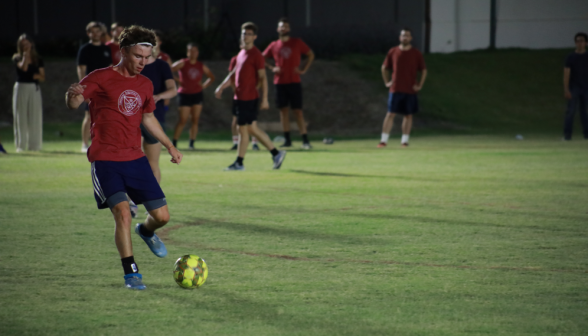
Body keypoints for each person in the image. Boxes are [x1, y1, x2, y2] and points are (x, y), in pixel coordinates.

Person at [65, 25, 183, 290]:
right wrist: (72, 96)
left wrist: (169, 146)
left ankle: (147, 231)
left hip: (135, 159)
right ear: (123, 52)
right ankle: (131, 273)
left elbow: (148, 118)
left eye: (146, 57)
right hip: (105, 160)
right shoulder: (101, 77)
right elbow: (76, 101)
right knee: (122, 213)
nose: (143, 62)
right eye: (138, 56)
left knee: (163, 216)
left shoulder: (145, 84)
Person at [215, 22, 286, 171]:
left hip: (249, 98)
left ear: (254, 37)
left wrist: (265, 98)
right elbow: (233, 74)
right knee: (250, 129)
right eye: (243, 33)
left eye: (248, 34)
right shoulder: (241, 53)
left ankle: (240, 162)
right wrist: (221, 86)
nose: (245, 36)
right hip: (240, 98)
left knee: (244, 129)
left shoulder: (256, 55)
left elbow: (263, 78)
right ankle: (276, 153)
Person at [263, 17, 315, 149]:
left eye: (285, 26)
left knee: (297, 111)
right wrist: (271, 68)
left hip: (294, 81)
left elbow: (310, 55)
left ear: (289, 29)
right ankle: (287, 139)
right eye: (281, 26)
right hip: (279, 82)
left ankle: (305, 140)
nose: (283, 28)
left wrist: (303, 69)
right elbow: (261, 58)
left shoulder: (297, 42)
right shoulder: (274, 45)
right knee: (283, 111)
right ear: (277, 29)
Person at [377, 28, 427, 148]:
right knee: (390, 114)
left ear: (411, 38)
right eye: (403, 36)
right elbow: (384, 67)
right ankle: (383, 141)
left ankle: (404, 141)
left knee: (408, 115)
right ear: (400, 38)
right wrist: (387, 82)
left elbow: (424, 70)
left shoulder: (416, 53)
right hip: (395, 89)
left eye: (407, 36)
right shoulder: (393, 51)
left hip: (410, 89)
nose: (405, 38)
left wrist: (420, 84)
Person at [140, 45, 178, 183]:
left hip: (155, 118)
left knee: (152, 164)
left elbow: (173, 90)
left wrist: (159, 96)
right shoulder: (132, 66)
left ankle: (154, 199)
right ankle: (131, 199)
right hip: (132, 119)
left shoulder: (162, 65)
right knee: (132, 160)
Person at [171, 43, 215, 149]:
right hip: (184, 94)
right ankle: (174, 143)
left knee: (195, 119)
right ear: (187, 52)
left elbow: (211, 77)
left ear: (198, 53)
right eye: (190, 51)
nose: (193, 53)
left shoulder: (200, 65)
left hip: (197, 94)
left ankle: (191, 143)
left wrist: (204, 85)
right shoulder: (183, 63)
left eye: (195, 51)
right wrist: (178, 80)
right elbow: (168, 70)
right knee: (183, 119)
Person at [77, 21, 113, 153]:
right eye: (93, 31)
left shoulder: (106, 49)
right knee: (89, 115)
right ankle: (84, 144)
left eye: (98, 31)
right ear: (88, 33)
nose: (96, 34)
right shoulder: (85, 49)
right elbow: (81, 69)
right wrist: (84, 88)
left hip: (105, 87)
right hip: (91, 86)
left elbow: (110, 69)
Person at [12, 34, 45, 152]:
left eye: (27, 43)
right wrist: (25, 55)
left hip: (34, 88)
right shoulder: (17, 57)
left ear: (31, 44)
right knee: (20, 116)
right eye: (23, 44)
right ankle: (20, 145)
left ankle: (35, 145)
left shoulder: (38, 59)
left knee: (35, 116)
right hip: (21, 87)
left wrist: (36, 76)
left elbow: (42, 76)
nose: (25, 46)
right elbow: (24, 68)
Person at [228, 50, 260, 151]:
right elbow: (231, 76)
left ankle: (256, 143)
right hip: (239, 97)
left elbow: (261, 77)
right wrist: (236, 91)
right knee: (237, 122)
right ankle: (236, 143)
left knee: (251, 123)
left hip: (250, 96)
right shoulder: (235, 59)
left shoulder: (255, 56)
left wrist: (254, 90)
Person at [563, 32, 588, 140]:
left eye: (582, 41)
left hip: (586, 88)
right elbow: (566, 73)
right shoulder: (571, 57)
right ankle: (567, 136)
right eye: (577, 41)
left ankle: (587, 135)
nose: (579, 43)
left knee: (585, 112)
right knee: (571, 111)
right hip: (574, 88)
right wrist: (566, 89)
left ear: (586, 43)